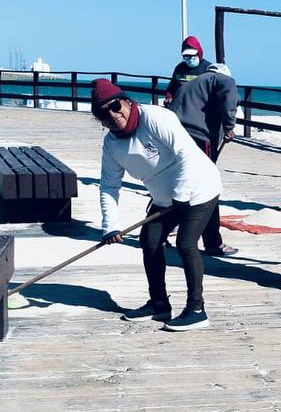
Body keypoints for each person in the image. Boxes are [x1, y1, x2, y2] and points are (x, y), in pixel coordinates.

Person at [93, 78, 223, 332]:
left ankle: (197, 310)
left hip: (199, 188)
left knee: (186, 243)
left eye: (115, 106)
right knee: (149, 241)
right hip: (165, 198)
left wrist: (181, 195)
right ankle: (159, 303)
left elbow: (186, 153)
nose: (113, 115)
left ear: (127, 102)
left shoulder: (155, 118)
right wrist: (110, 225)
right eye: (103, 113)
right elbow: (109, 186)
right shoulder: (111, 144)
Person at [165, 35, 241, 258]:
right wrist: (229, 126)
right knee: (208, 188)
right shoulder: (223, 79)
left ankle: (158, 234)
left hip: (176, 134)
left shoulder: (197, 81)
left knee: (176, 181)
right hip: (199, 137)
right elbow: (229, 97)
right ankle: (212, 243)